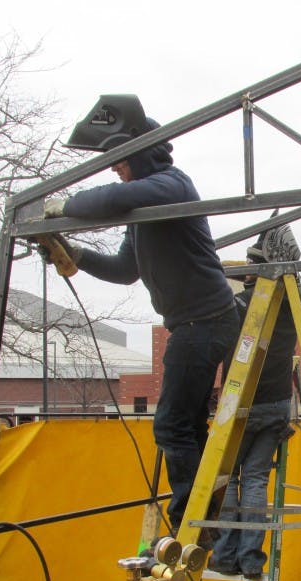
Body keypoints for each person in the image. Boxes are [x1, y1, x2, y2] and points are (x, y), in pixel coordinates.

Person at [40, 95, 240, 535]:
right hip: (197, 323)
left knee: (170, 425)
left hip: (204, 322)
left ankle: (193, 521)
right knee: (186, 424)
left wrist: (66, 205)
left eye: (120, 159)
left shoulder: (172, 185)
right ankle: (208, 511)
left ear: (140, 153)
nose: (115, 168)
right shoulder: (143, 213)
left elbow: (113, 198)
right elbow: (125, 270)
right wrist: (76, 255)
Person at [209, 223, 301, 579]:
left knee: (229, 477)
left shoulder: (242, 304)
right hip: (278, 404)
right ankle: (250, 560)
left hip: (243, 403)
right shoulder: (292, 302)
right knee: (256, 479)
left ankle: (225, 556)